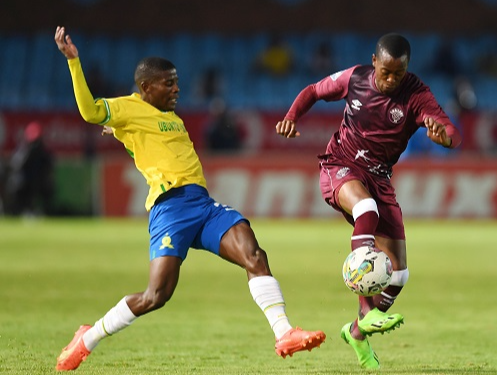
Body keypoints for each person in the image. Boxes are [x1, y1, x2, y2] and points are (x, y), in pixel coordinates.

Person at [53, 26, 325, 372]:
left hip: (203, 205)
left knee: (254, 253)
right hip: (170, 210)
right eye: (169, 84)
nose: (177, 89)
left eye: (177, 82)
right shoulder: (128, 108)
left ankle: (284, 333)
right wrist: (74, 62)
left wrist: (120, 130)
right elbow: (91, 112)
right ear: (146, 87)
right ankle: (87, 338)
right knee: (156, 296)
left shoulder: (169, 117)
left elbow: (137, 132)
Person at [275, 33, 462, 369]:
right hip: (340, 165)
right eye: (386, 72)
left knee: (400, 275)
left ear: (407, 69)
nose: (391, 80)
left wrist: (442, 137)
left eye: (398, 74)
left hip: (379, 178)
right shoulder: (356, 78)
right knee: (365, 209)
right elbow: (314, 91)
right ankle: (366, 309)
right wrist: (292, 115)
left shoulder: (417, 94)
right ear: (374, 61)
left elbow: (452, 132)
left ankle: (357, 332)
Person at [5, 121, 55, 217]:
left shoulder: (42, 152)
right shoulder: (24, 150)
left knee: (46, 187)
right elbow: (15, 165)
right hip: (22, 183)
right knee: (18, 185)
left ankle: (34, 210)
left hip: (35, 183)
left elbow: (49, 166)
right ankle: (18, 210)